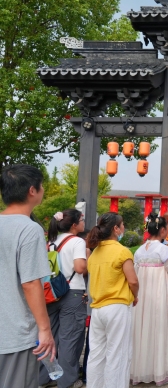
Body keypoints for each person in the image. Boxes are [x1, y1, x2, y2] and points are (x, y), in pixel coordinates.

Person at [0, 165, 55, 388]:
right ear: (32, 190)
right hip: (16, 333)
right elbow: (31, 283)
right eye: (41, 186)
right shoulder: (29, 229)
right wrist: (45, 329)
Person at [86, 213, 139, 388]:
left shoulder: (94, 253)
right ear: (116, 229)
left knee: (96, 355)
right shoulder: (122, 251)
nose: (123, 228)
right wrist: (134, 295)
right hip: (117, 307)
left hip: (97, 309)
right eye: (122, 225)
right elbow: (133, 281)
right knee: (117, 354)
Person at [39, 209, 88, 388]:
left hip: (52, 293)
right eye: (81, 220)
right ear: (74, 225)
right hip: (72, 292)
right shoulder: (77, 241)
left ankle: (44, 377)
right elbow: (80, 267)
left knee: (51, 336)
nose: (83, 223)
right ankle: (67, 381)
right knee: (70, 338)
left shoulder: (51, 242)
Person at [131, 213, 168, 385]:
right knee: (160, 328)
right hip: (160, 293)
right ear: (163, 230)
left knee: (143, 328)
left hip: (142, 295)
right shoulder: (164, 250)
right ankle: (161, 370)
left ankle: (141, 370)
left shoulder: (139, 251)